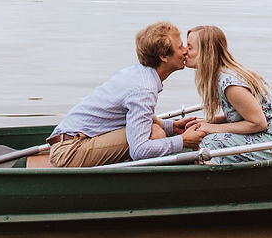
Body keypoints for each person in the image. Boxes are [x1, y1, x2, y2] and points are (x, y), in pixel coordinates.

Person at [48, 21, 205, 167]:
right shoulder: (144, 88)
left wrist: (172, 127)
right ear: (163, 57)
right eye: (180, 47)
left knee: (155, 127)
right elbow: (139, 150)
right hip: (70, 152)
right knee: (155, 133)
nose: (185, 51)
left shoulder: (139, 73)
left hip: (70, 140)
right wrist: (182, 141)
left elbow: (137, 117)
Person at [185, 24, 272, 163]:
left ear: (206, 52)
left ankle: (213, 180)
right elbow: (240, 113)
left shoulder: (230, 84)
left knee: (208, 142)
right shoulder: (221, 74)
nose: (184, 52)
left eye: (190, 47)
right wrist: (210, 121)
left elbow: (259, 123)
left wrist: (212, 128)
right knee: (204, 136)